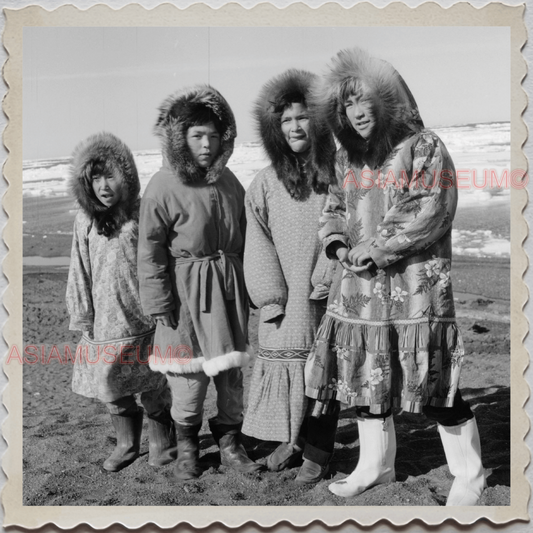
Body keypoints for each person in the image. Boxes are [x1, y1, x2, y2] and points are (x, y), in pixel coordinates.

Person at [303, 47, 486, 505]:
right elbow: (333, 209)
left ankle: (470, 476)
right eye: (348, 103)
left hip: (414, 290)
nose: (358, 112)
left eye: (366, 99)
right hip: (358, 292)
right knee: (366, 377)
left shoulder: (425, 146)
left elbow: (431, 209)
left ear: (390, 97)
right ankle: (376, 467)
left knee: (435, 385)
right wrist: (340, 245)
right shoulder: (346, 157)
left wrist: (375, 249)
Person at [138, 85, 263, 480]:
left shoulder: (229, 181)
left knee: (231, 376)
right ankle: (188, 447)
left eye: (212, 135)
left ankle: (229, 442)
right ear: (181, 139)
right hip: (185, 293)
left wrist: (255, 285)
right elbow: (150, 248)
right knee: (188, 378)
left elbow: (250, 236)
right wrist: (158, 302)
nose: (206, 144)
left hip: (227, 291)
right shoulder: (162, 185)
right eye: (196, 136)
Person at [241, 69, 338, 479]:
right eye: (286, 120)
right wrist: (270, 296)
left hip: (329, 286)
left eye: (303, 116)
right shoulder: (264, 183)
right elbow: (258, 241)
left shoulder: (338, 171)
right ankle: (291, 441)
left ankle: (316, 453)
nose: (295, 126)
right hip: (284, 292)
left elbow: (349, 222)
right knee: (286, 369)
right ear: (275, 128)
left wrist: (328, 273)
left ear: (317, 119)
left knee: (325, 370)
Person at [66, 132, 175, 473]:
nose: (103, 185)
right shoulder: (84, 220)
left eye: (110, 175)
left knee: (152, 382)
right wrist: (83, 313)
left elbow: (163, 259)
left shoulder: (142, 213)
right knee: (111, 385)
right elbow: (79, 267)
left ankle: (162, 441)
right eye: (95, 178)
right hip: (106, 321)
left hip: (143, 317)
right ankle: (127, 442)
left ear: (126, 176)